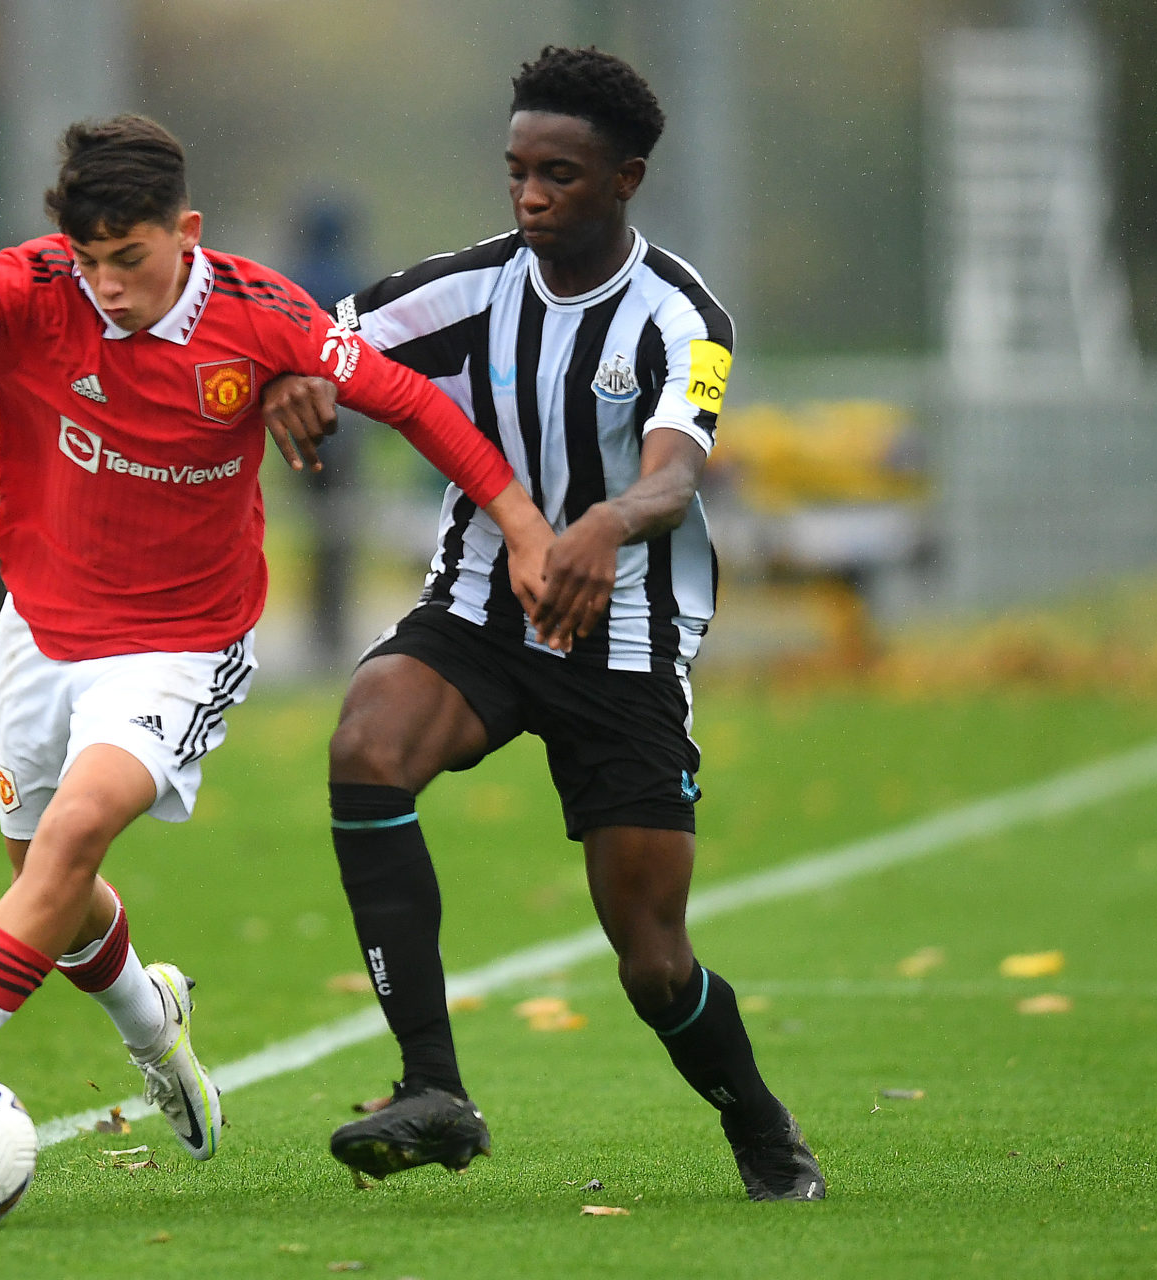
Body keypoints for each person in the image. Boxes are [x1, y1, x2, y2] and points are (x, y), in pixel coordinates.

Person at [0, 115, 560, 1171]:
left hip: (179, 642)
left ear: (187, 231)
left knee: (75, 835)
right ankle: (151, 1020)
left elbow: (404, 400)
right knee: (51, 887)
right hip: (39, 627)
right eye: (91, 261)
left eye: (131, 259)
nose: (109, 286)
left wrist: (525, 530)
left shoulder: (263, 315)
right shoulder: (28, 294)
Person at [262, 47, 825, 1201]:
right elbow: (314, 333)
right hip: (479, 607)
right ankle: (434, 1087)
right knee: (366, 740)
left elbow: (676, 474)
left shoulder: (684, 315)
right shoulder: (467, 288)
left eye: (557, 175)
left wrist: (605, 524)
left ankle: (765, 1130)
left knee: (653, 963)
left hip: (625, 642)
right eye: (516, 170)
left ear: (625, 179)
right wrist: (295, 378)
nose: (527, 196)